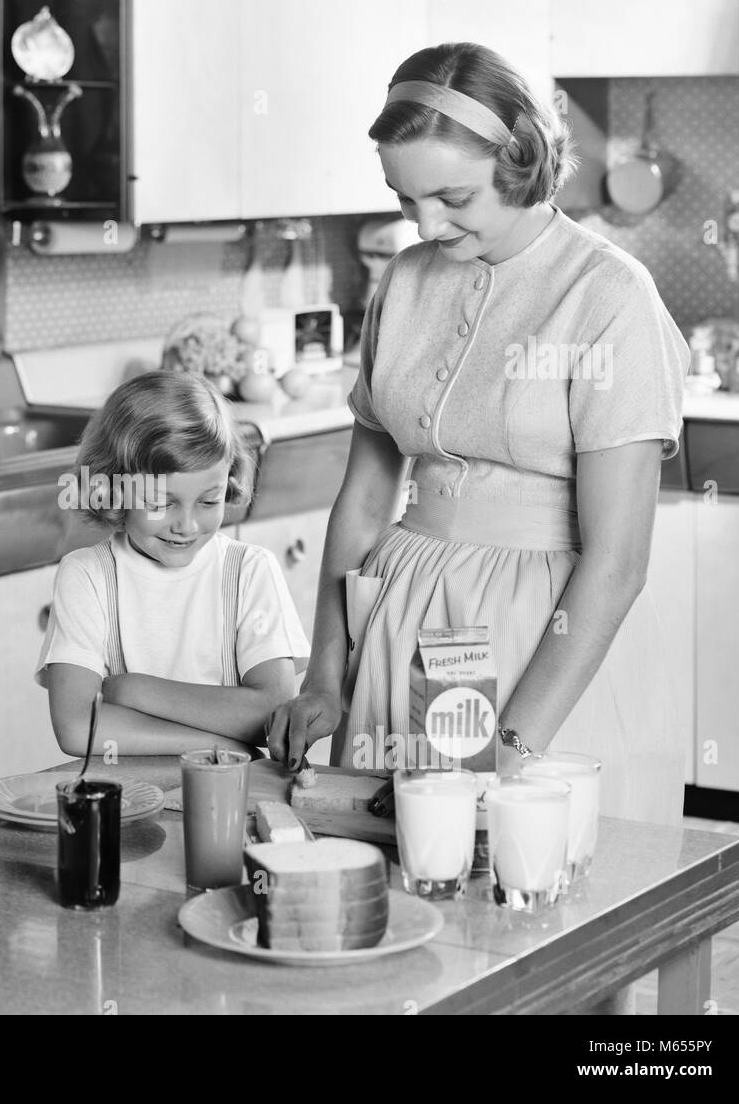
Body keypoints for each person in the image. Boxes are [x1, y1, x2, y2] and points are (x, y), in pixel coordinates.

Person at [268, 43, 690, 827]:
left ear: (519, 156)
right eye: (405, 199)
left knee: (521, 879)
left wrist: (510, 746)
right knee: (395, 879)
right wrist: (324, 674)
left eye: (451, 196)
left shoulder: (607, 297)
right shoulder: (403, 282)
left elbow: (619, 561)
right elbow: (362, 502)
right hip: (402, 615)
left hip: (543, 635)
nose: (425, 223)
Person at [38, 370, 310, 755]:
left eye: (208, 500)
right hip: (129, 794)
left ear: (229, 482)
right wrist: (218, 743)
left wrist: (133, 690)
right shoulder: (87, 577)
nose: (186, 525)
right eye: (160, 503)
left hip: (229, 792)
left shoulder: (249, 571)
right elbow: (77, 728)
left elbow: (273, 711)